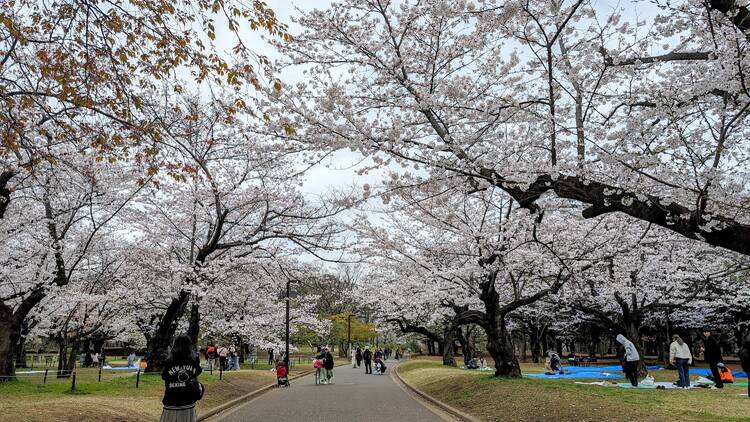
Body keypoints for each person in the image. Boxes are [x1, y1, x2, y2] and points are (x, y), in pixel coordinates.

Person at [160, 334, 204, 422]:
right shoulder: (194, 359)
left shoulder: (168, 361)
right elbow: (198, 372)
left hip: (171, 402)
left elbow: (164, 376)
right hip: (188, 402)